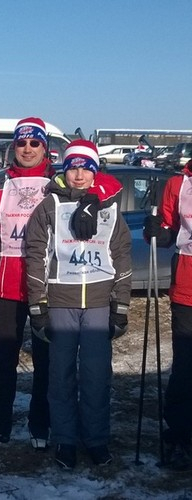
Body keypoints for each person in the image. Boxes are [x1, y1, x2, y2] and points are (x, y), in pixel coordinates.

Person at [0, 118, 123, 453]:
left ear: (44, 147)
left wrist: (94, 197)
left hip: (48, 285)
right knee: (3, 359)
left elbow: (105, 183)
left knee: (46, 361)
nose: (27, 149)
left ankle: (41, 421)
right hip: (8, 285)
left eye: (34, 143)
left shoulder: (59, 180)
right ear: (14, 147)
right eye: (21, 143)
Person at [26, 139, 132, 469]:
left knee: (96, 376)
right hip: (61, 302)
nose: (80, 175)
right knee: (60, 376)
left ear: (95, 172)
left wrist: (122, 304)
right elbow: (36, 255)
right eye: (73, 167)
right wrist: (37, 305)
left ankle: (96, 439)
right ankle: (66, 440)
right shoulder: (49, 205)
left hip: (99, 303)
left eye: (86, 169)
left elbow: (121, 254)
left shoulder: (109, 206)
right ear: (65, 170)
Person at [143, 158, 192, 471]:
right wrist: (156, 232)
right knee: (185, 368)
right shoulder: (178, 184)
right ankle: (180, 437)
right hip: (187, 288)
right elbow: (168, 230)